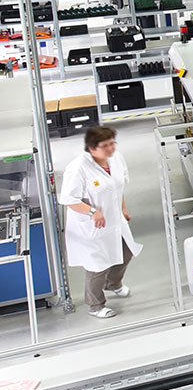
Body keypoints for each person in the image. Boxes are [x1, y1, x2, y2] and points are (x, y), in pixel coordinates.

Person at [59, 126, 141, 318]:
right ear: (91, 148)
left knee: (126, 251)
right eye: (105, 146)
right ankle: (96, 305)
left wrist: (123, 208)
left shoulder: (116, 159)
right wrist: (93, 212)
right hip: (91, 225)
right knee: (97, 265)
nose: (111, 148)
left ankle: (112, 284)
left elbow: (117, 187)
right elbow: (69, 199)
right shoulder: (78, 168)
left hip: (114, 219)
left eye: (112, 143)